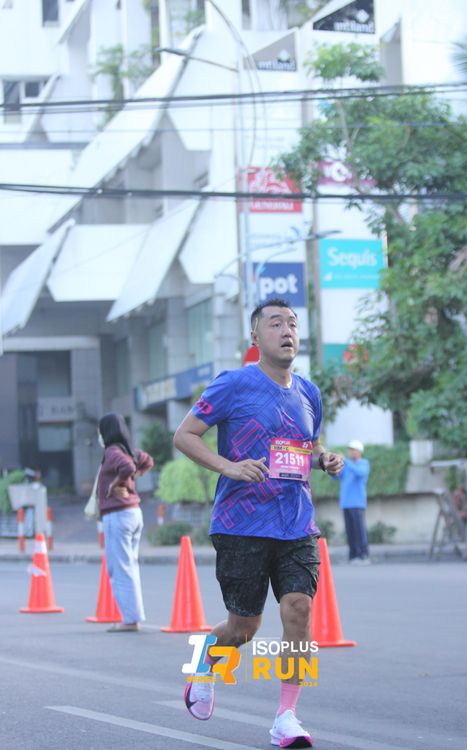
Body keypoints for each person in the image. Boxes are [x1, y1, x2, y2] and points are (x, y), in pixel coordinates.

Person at [174, 298, 343, 748]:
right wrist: (228, 466)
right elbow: (184, 435)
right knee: (243, 629)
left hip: (297, 522)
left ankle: (287, 717)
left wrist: (323, 458)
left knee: (299, 610)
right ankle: (207, 661)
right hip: (241, 522)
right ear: (255, 336)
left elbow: (307, 444)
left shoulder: (309, 392)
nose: (287, 330)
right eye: (275, 323)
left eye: (293, 323)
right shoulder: (233, 384)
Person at [97, 412, 153, 632]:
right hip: (133, 512)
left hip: (118, 515)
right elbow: (147, 461)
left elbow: (127, 467)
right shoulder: (128, 450)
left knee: (120, 569)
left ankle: (130, 620)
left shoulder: (112, 451)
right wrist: (132, 479)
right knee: (129, 566)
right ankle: (132, 616)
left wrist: (117, 484)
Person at [331, 440, 371, 565]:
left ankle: (363, 555)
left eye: (353, 450)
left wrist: (346, 461)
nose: (351, 452)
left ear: (359, 451)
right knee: (350, 532)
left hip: (358, 503)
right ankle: (353, 556)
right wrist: (333, 465)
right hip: (346, 503)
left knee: (359, 531)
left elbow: (360, 473)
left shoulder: (363, 463)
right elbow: (336, 476)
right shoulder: (347, 465)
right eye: (350, 450)